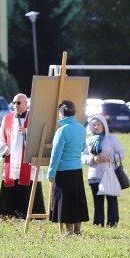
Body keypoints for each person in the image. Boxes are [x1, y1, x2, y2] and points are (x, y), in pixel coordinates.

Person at [0, 93, 44, 219]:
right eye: (14, 102)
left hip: (27, 161)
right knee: (11, 185)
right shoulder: (7, 118)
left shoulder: (34, 118)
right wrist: (5, 149)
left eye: (18, 103)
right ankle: (7, 213)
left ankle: (30, 214)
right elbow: (0, 138)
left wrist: (27, 132)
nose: (15, 105)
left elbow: (41, 137)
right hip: (11, 160)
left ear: (26, 104)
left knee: (27, 187)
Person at [48, 100, 89, 235]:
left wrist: (51, 173)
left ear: (62, 114)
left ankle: (68, 230)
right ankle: (77, 230)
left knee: (65, 201)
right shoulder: (81, 128)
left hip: (63, 170)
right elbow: (83, 147)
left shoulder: (62, 131)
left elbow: (56, 155)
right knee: (77, 199)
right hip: (77, 169)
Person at [82, 115, 125, 227]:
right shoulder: (88, 141)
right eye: (94, 125)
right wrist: (93, 159)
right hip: (94, 175)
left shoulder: (112, 139)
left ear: (104, 125)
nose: (96, 127)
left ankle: (112, 223)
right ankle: (98, 223)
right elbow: (82, 156)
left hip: (110, 174)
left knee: (111, 200)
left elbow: (122, 154)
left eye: (98, 124)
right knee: (97, 201)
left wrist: (109, 158)